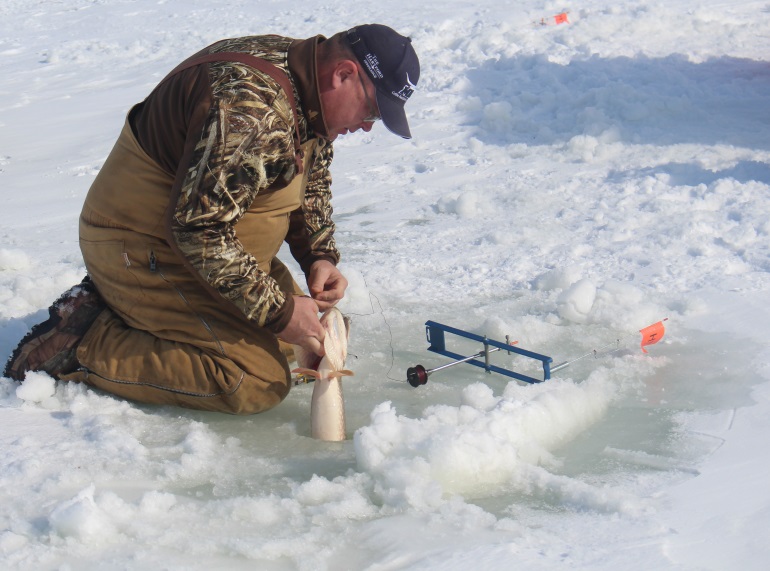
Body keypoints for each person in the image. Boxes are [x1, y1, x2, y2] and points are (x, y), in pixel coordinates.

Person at [4, 24, 420, 414]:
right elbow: (197, 231)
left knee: (312, 339)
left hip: (208, 242)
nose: (367, 126)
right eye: (373, 109)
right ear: (343, 74)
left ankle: (134, 310)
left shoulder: (303, 75)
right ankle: (84, 341)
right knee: (255, 380)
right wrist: (278, 312)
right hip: (143, 245)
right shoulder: (250, 109)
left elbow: (307, 175)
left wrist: (317, 256)